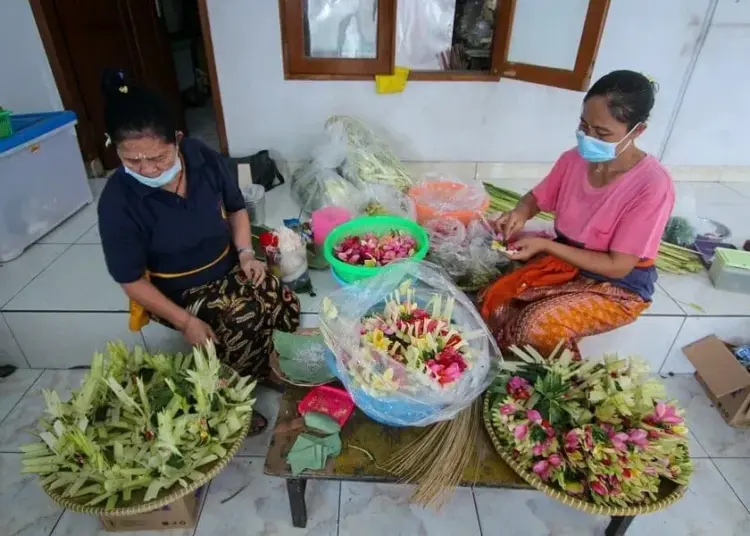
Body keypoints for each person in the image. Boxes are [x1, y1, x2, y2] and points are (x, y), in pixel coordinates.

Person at [97, 72, 300, 431]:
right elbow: (130, 280)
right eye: (132, 161)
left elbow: (237, 209)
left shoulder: (199, 155)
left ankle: (263, 366)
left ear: (177, 140)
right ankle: (226, 396)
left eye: (158, 158)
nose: (147, 169)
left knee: (274, 293)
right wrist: (186, 320)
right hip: (177, 289)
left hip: (226, 263)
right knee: (242, 316)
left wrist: (245, 254)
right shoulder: (118, 201)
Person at [480, 70, 674, 359]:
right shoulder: (574, 159)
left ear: (638, 131)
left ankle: (557, 387)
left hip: (615, 285)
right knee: (492, 300)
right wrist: (520, 212)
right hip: (566, 261)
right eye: (584, 125)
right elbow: (536, 198)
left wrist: (546, 245)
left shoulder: (652, 185)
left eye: (602, 132)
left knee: (535, 326)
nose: (588, 137)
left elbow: (618, 266)